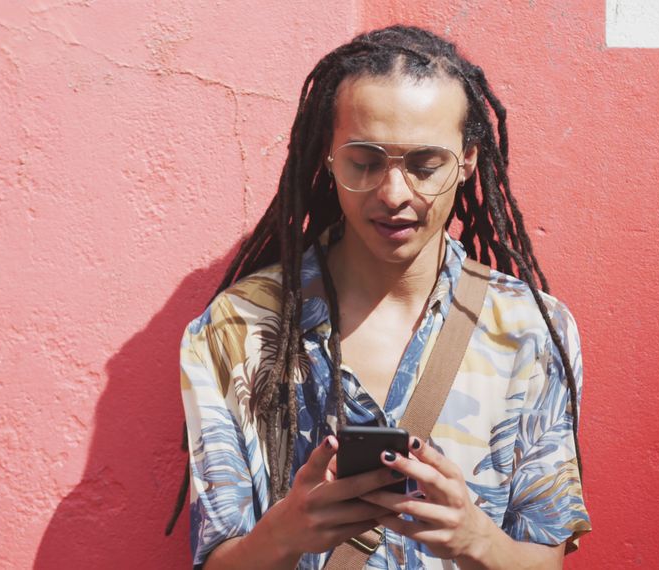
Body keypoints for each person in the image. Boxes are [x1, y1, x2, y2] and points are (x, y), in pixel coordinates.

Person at [172, 25, 590, 569]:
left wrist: (476, 540)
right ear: (328, 156)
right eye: (365, 161)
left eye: (425, 165)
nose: (394, 195)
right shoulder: (236, 328)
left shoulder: (530, 330)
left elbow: (545, 560)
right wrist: (284, 535)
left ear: (466, 161)